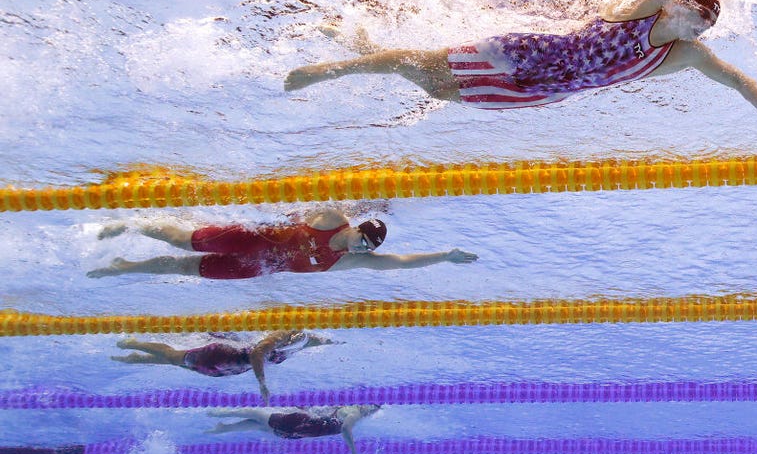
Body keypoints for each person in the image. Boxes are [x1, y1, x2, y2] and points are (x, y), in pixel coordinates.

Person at [285, 0, 757, 134]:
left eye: (706, 20)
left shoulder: (685, 55)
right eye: (694, 9)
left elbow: (735, 78)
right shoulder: (639, 10)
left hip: (542, 91)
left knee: (431, 85)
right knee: (423, 61)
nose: (698, 22)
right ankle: (324, 71)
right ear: (675, 3)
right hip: (527, 53)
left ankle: (356, 39)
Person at [86, 207, 477, 279]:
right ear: (356, 228)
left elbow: (401, 262)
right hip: (248, 239)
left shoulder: (342, 263)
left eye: (366, 250)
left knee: (184, 268)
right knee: (182, 241)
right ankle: (133, 224)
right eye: (362, 241)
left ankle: (125, 267)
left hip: (254, 269)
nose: (360, 250)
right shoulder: (331, 219)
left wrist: (445, 256)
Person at [112, 330, 335, 404]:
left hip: (231, 368)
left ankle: (135, 357)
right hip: (220, 357)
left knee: (180, 363)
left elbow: (322, 340)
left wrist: (337, 342)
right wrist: (262, 383)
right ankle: (135, 343)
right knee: (174, 357)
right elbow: (258, 351)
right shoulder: (284, 335)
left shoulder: (303, 342)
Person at [206, 405, 380, 454]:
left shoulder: (356, 412)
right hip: (296, 434)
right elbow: (325, 417)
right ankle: (224, 428)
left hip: (299, 424)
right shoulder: (348, 412)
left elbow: (346, 428)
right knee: (260, 424)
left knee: (254, 413)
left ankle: (220, 413)